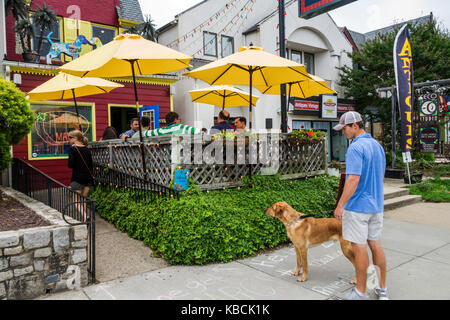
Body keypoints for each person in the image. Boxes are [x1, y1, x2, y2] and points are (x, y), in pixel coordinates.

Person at [332, 111, 388, 300]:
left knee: (359, 246)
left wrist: (340, 205)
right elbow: (380, 177)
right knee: (376, 246)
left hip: (357, 207)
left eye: (345, 128)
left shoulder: (355, 148)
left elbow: (353, 179)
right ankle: (382, 290)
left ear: (355, 126)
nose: (343, 132)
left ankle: (361, 292)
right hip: (376, 206)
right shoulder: (377, 146)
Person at [68, 130, 94, 222]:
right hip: (88, 178)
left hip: (77, 178)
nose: (69, 140)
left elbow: (70, 164)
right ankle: (85, 217)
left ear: (75, 138)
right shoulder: (87, 149)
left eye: (70, 138)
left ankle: (85, 217)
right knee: (83, 199)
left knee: (76, 201)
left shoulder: (72, 149)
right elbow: (91, 165)